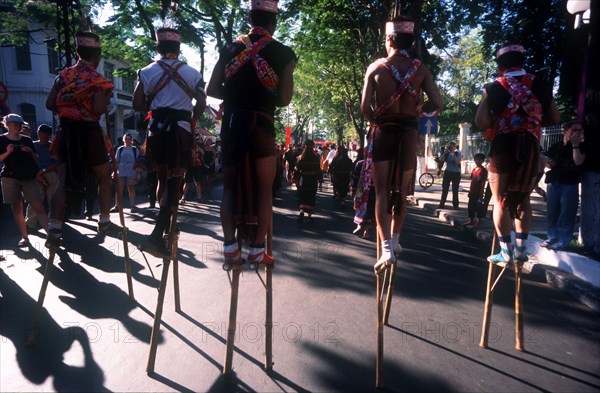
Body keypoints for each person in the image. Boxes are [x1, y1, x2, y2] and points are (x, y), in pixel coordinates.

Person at [207, 0, 296, 267]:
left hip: (233, 123)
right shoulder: (284, 53)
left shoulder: (229, 48)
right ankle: (258, 250)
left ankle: (230, 248)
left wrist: (236, 96)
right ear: (274, 22)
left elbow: (212, 88)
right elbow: (284, 99)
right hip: (263, 124)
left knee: (229, 187)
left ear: (249, 18)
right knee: (265, 190)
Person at [361, 16, 443, 268]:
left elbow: (365, 109)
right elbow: (438, 103)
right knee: (404, 192)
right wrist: (418, 109)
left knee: (383, 191)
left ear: (389, 40)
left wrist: (378, 119)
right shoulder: (421, 69)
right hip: (409, 133)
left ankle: (386, 249)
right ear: (410, 41)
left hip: (384, 131)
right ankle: (396, 239)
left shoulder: (375, 68)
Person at [475, 42, 560, 264]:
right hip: (531, 146)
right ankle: (522, 250)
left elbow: (481, 121)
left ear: (501, 65)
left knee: (500, 199)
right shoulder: (540, 84)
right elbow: (555, 118)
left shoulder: (493, 87)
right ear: (522, 61)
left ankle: (505, 251)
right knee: (524, 199)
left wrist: (498, 119)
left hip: (503, 145)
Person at [133, 27, 207, 258]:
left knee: (163, 177)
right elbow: (202, 102)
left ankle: (164, 227)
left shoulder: (145, 71)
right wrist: (190, 118)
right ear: (178, 48)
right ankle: (159, 234)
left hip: (156, 130)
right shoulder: (193, 73)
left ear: (159, 48)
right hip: (181, 130)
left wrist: (157, 109)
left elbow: (137, 103)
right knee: (176, 179)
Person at [45, 31, 115, 249]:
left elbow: (49, 104)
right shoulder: (99, 81)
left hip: (66, 131)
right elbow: (98, 110)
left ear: (77, 52)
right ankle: (104, 221)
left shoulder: (62, 76)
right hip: (89, 132)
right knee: (104, 176)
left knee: (62, 180)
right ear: (98, 56)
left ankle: (54, 228)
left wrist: (69, 108)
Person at [0, 114, 49, 247]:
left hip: (28, 176)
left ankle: (51, 237)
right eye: (14, 123)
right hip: (10, 177)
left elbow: (37, 159)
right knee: (17, 208)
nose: (17, 126)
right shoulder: (1, 140)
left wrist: (30, 151)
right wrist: (7, 152)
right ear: (7, 124)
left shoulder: (27, 140)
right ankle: (25, 237)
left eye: (19, 124)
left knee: (38, 207)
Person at [541, 120, 586, 250]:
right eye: (574, 130)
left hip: (570, 183)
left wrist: (575, 145)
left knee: (567, 213)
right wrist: (548, 162)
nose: (577, 132)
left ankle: (563, 241)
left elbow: (578, 162)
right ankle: (552, 237)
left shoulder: (581, 146)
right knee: (552, 212)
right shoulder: (556, 146)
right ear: (565, 131)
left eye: (580, 130)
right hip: (554, 182)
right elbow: (547, 162)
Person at [25, 124, 58, 230]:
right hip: (34, 174)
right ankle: (30, 223)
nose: (46, 135)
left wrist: (43, 171)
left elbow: (57, 163)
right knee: (35, 200)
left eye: (48, 133)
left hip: (50, 173)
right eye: (43, 132)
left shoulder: (53, 146)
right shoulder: (32, 145)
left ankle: (52, 223)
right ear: (38, 133)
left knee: (53, 200)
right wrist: (36, 173)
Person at [111, 133, 141, 213]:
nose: (127, 140)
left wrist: (138, 173)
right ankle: (117, 206)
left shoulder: (135, 149)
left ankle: (132, 206)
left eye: (129, 139)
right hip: (121, 172)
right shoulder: (120, 149)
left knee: (131, 189)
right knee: (118, 190)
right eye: (126, 139)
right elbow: (116, 161)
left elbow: (138, 162)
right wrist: (114, 172)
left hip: (132, 172)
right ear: (123, 140)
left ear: (131, 140)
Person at [294, 140, 321, 222]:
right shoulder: (316, 157)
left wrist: (295, 179)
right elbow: (318, 170)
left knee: (303, 195)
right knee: (311, 196)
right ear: (313, 147)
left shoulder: (300, 157)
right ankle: (309, 215)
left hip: (303, 179)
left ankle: (301, 211)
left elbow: (297, 169)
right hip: (312, 179)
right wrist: (320, 179)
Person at [464, 153, 488, 227]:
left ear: (482, 161)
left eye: (479, 160)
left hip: (478, 191)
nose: (477, 161)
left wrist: (481, 192)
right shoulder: (474, 169)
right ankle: (471, 219)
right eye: (476, 159)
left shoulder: (483, 170)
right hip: (472, 190)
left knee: (478, 207)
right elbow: (472, 180)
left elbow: (483, 182)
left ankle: (478, 221)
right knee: (470, 206)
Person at [437, 141, 462, 210]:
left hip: (456, 173)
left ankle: (455, 205)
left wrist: (453, 153)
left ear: (454, 147)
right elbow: (441, 160)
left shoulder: (458, 153)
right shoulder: (447, 153)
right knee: (445, 189)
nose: (450, 148)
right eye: (449, 147)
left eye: (451, 147)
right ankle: (442, 204)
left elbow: (457, 162)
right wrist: (445, 152)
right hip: (448, 172)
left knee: (455, 189)